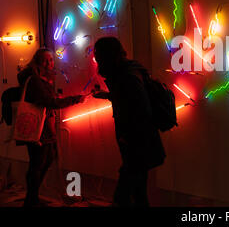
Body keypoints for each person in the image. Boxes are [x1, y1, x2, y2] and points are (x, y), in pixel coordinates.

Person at [92, 37, 165, 207]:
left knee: (124, 194)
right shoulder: (129, 69)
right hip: (140, 140)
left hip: (135, 141)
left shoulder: (125, 75)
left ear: (106, 56)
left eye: (98, 54)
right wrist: (110, 96)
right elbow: (130, 98)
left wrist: (127, 135)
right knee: (138, 190)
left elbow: (139, 106)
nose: (96, 58)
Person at [17, 48, 86, 207]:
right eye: (45, 60)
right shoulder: (35, 81)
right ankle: (31, 199)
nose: (50, 63)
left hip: (45, 128)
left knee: (45, 160)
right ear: (38, 63)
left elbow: (48, 100)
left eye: (51, 60)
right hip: (38, 129)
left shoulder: (42, 80)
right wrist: (74, 99)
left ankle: (32, 198)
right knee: (38, 163)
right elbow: (49, 102)